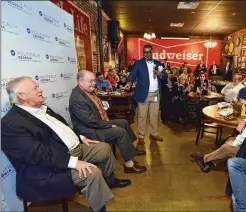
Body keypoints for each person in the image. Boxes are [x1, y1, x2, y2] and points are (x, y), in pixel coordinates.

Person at [1, 77, 131, 212]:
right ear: (21, 95)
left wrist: (81, 138)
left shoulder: (42, 109)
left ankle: (110, 180)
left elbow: (63, 129)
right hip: (50, 167)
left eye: (38, 86)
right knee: (91, 173)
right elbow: (38, 154)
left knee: (103, 148)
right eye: (35, 88)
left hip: (72, 150)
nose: (40, 89)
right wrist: (74, 162)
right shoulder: (11, 123)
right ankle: (100, 209)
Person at [190, 80, 246, 172]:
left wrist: (235, 143)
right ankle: (211, 162)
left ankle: (204, 159)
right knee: (229, 140)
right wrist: (244, 120)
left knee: (227, 145)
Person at [69, 70, 147, 174]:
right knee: (120, 132)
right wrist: (109, 125)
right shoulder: (77, 98)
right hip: (90, 131)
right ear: (80, 81)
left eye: (94, 80)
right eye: (90, 81)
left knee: (123, 122)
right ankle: (129, 165)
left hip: (98, 123)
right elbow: (92, 122)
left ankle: (131, 149)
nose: (94, 83)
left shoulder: (86, 91)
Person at [125, 44, 167, 144]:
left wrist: (160, 74)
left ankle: (153, 133)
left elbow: (165, 76)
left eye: (149, 52)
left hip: (156, 95)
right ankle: (141, 136)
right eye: (145, 52)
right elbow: (132, 74)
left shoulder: (158, 63)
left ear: (152, 52)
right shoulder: (138, 63)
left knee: (154, 115)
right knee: (142, 116)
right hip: (143, 94)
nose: (147, 54)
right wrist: (129, 82)